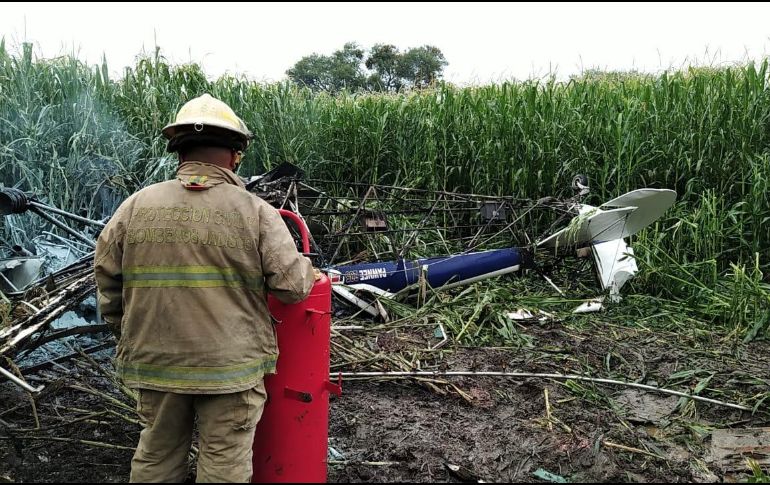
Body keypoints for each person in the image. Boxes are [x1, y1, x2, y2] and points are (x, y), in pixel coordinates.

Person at [94, 93, 315, 483]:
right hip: (230, 369)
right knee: (224, 462)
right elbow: (293, 288)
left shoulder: (134, 207)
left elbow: (108, 283)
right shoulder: (255, 211)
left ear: (178, 152)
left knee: (156, 456)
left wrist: (130, 332)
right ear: (234, 157)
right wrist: (308, 267)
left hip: (154, 361)